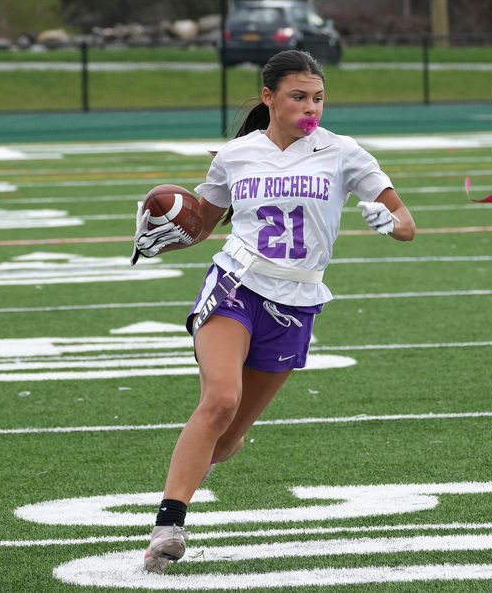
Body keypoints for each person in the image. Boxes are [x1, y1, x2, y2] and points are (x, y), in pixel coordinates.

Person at [131, 49, 416, 573]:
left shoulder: (342, 152)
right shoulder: (236, 155)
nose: (312, 107)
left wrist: (386, 220)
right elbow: (199, 225)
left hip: (298, 298)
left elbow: (407, 223)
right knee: (219, 400)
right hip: (236, 283)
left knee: (227, 438)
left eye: (319, 97)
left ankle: (195, 469)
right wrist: (160, 240)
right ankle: (168, 527)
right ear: (269, 98)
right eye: (299, 97)